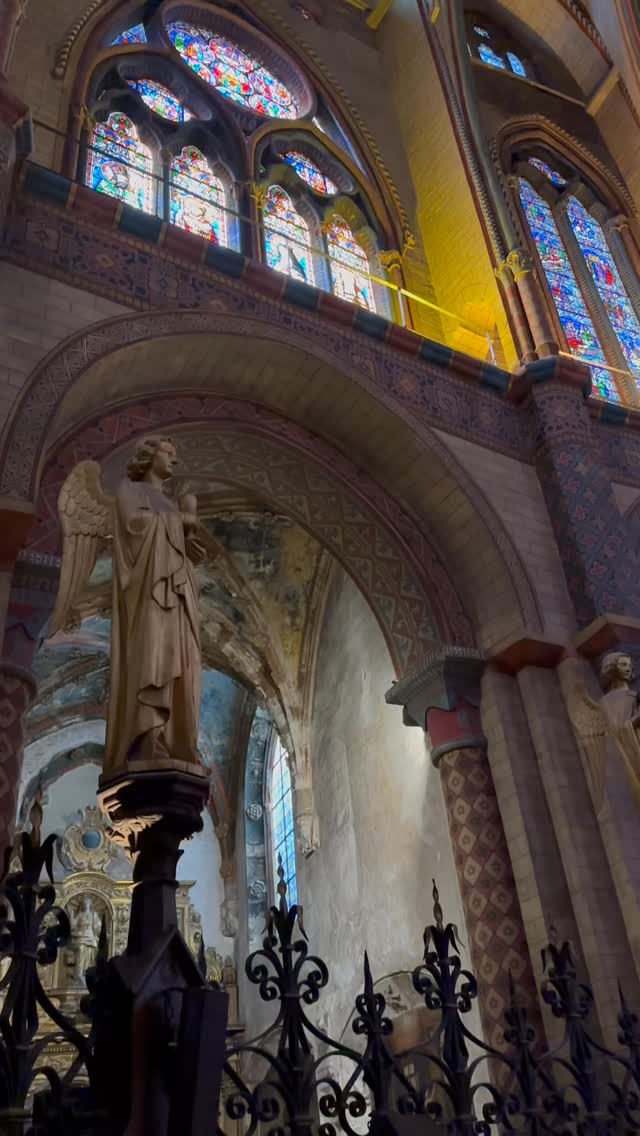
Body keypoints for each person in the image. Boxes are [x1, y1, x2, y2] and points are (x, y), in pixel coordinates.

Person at [104, 436, 204, 776]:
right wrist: (182, 520)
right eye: (168, 452)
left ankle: (177, 742)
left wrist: (187, 537)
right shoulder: (129, 490)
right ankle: (147, 739)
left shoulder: (171, 502)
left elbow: (176, 549)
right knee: (152, 658)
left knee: (183, 664)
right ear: (149, 456)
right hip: (148, 594)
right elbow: (134, 526)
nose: (174, 460)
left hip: (177, 598)